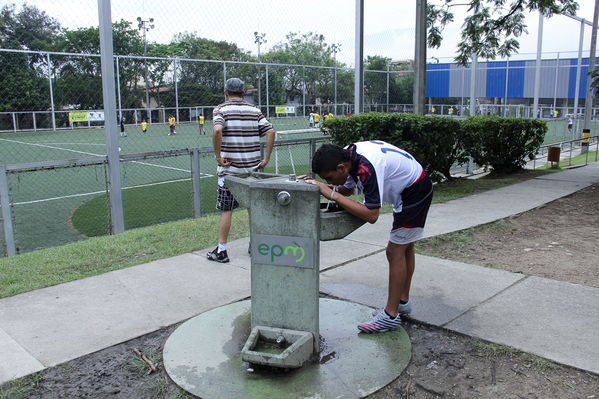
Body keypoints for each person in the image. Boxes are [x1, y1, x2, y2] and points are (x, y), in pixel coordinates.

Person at [301, 141, 433, 333]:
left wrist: (331, 194)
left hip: (414, 193)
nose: (331, 182)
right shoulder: (348, 156)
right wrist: (320, 187)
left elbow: (371, 215)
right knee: (405, 248)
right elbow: (346, 189)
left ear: (341, 167)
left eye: (330, 177)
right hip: (412, 187)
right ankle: (402, 302)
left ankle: (390, 315)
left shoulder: (366, 167)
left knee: (394, 251)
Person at [207, 78, 275, 263]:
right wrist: (266, 158)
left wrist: (217, 156)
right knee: (253, 208)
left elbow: (217, 131)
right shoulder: (254, 110)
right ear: (243, 93)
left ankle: (221, 251)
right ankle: (256, 245)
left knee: (226, 210)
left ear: (225, 92)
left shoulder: (220, 109)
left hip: (230, 173)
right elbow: (270, 131)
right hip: (252, 171)